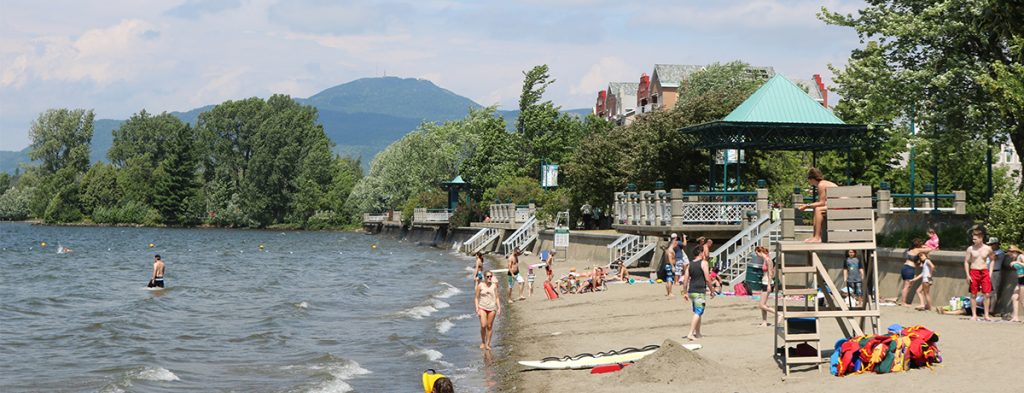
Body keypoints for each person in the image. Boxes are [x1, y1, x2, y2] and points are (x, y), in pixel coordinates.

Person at [796, 167, 838, 243]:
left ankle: (817, 237)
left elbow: (821, 203)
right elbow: (822, 202)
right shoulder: (824, 183)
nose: (809, 182)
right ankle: (815, 236)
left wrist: (806, 205)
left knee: (818, 209)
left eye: (809, 179)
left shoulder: (821, 185)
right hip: (838, 205)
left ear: (812, 178)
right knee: (817, 209)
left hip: (840, 207)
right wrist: (808, 205)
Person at [964, 230, 997, 321]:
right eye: (973, 239)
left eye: (975, 239)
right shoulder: (970, 249)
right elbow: (966, 262)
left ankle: (986, 315)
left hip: (984, 271)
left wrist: (990, 272)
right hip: (974, 271)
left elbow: (993, 259)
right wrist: (967, 275)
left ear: (981, 238)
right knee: (973, 294)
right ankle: (974, 315)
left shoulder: (988, 249)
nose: (973, 240)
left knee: (987, 294)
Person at [682, 239, 711, 341]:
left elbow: (685, 280)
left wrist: (685, 292)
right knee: (698, 312)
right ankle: (690, 333)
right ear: (701, 253)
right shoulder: (704, 263)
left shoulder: (690, 264)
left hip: (691, 291)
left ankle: (698, 333)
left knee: (698, 312)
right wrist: (712, 290)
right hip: (699, 291)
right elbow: (707, 279)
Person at [474, 271, 500, 350]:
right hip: (482, 307)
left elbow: (497, 297)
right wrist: (477, 308)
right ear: (484, 277)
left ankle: (488, 344)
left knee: (489, 326)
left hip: (492, 308)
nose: (489, 278)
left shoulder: (494, 285)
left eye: (490, 276)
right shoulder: (480, 285)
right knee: (483, 325)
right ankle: (483, 342)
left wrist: (499, 308)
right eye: (488, 276)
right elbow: (476, 298)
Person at [898, 239, 926, 307]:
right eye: (920, 244)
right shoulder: (917, 250)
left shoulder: (910, 250)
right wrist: (924, 247)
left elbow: (915, 262)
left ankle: (903, 301)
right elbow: (929, 249)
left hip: (905, 267)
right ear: (918, 245)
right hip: (909, 269)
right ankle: (903, 302)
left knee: (906, 286)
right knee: (907, 286)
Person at [756, 246, 776, 327]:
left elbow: (771, 273)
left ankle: (778, 314)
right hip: (764, 282)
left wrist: (769, 285)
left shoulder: (768, 260)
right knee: (763, 304)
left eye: (757, 253)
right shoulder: (765, 260)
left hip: (767, 283)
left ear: (760, 252)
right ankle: (764, 322)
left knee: (761, 305)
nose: (757, 255)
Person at [987, 237, 1006, 305]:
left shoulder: (1000, 252)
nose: (990, 246)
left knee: (994, 291)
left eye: (991, 244)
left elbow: (994, 257)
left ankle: (992, 309)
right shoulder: (990, 251)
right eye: (989, 244)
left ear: (996, 244)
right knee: (986, 291)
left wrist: (988, 250)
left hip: (995, 272)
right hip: (987, 272)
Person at [1008, 245, 1023, 323]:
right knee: (1014, 297)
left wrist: (1017, 262)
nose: (1009, 254)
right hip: (1020, 279)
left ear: (1015, 251)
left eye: (1010, 252)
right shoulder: (1016, 258)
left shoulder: (1021, 256)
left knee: (1022, 299)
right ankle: (1015, 317)